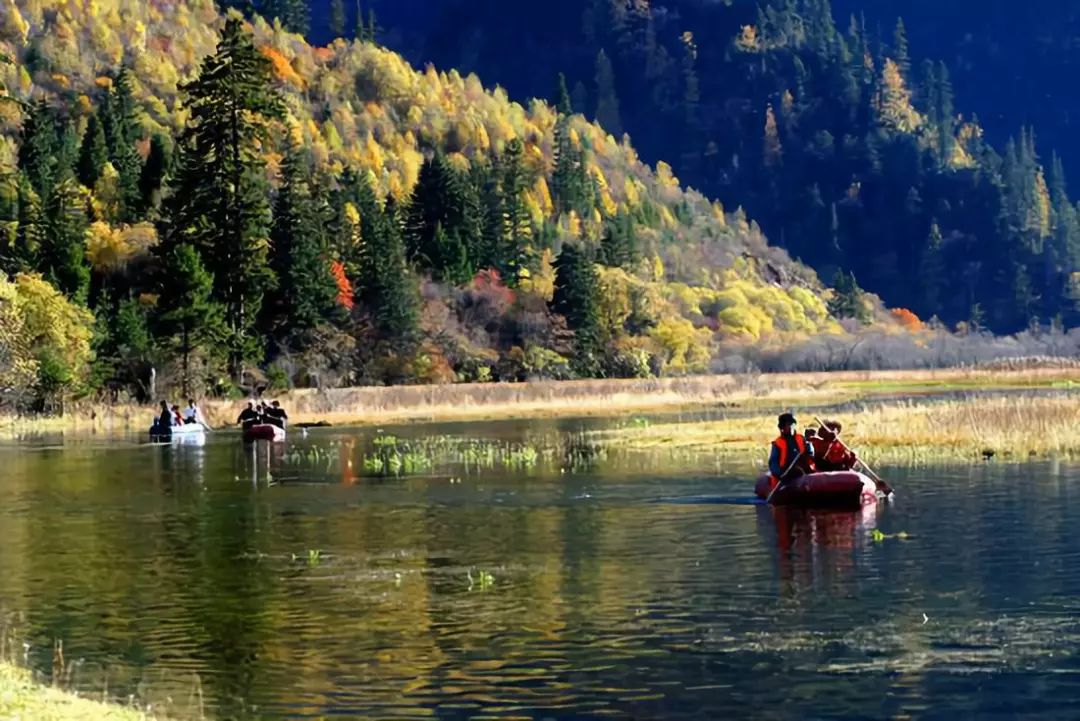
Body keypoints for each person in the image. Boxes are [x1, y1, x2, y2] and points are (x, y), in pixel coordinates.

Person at [768, 412, 815, 488]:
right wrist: (781, 474)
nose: (790, 427)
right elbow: (773, 463)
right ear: (782, 428)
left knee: (800, 470)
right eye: (788, 425)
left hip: (802, 470)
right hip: (786, 473)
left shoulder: (802, 438)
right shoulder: (777, 443)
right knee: (796, 472)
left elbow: (811, 453)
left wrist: (808, 442)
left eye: (792, 424)